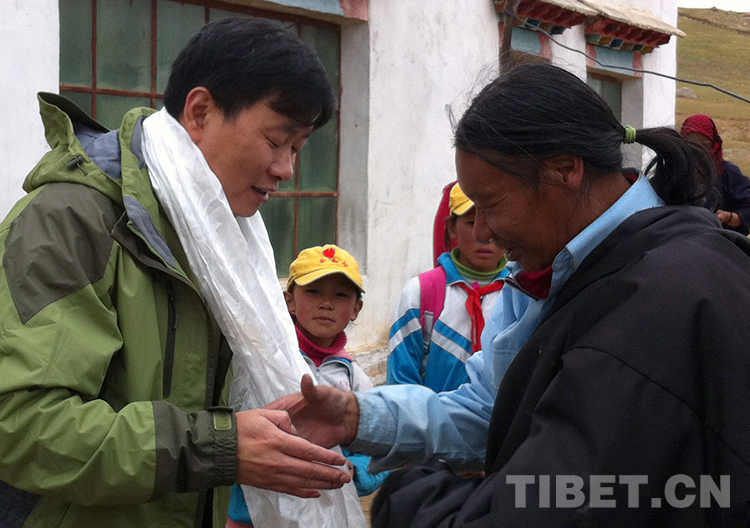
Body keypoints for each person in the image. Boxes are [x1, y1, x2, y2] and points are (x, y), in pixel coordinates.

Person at [269, 63, 750, 525]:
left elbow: (562, 504)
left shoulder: (656, 304)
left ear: (564, 170)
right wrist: (355, 416)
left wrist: (405, 498)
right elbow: (491, 409)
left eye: (490, 203)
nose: (485, 231)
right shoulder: (548, 276)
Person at [0, 18, 352, 528]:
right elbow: (22, 426)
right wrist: (217, 448)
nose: (286, 169)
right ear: (200, 111)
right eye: (278, 140)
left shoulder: (220, 240)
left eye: (298, 149)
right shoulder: (70, 222)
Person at [227, 245, 387, 526]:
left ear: (356, 308)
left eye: (341, 295)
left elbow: (380, 449)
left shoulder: (354, 379)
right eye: (314, 291)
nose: (326, 303)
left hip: (324, 513)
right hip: (254, 512)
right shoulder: (265, 363)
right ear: (289, 301)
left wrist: (356, 472)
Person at [387, 183, 508, 392]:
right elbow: (401, 384)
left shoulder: (521, 294)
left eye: (494, 221)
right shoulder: (420, 293)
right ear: (452, 228)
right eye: (472, 222)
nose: (485, 235)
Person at [680, 113, 750, 234]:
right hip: (680, 237)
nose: (698, 149)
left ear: (713, 143)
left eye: (704, 143)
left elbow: (747, 208)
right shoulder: (675, 171)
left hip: (722, 240)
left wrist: (729, 217)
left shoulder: (728, 173)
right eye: (691, 143)